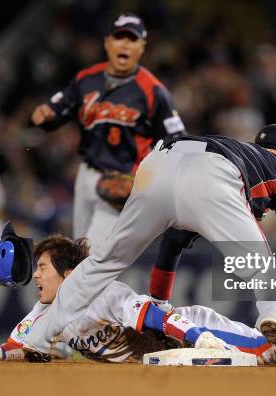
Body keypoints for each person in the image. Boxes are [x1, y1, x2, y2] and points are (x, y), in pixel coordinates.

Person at [23, 124, 276, 368]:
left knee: (103, 261)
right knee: (264, 273)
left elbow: (172, 244)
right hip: (212, 173)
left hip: (160, 161)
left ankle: (38, 338)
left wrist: (160, 303)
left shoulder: (240, 148)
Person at [0, 234, 276, 367]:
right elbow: (19, 344)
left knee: (263, 346)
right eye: (35, 268)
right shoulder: (43, 314)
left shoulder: (100, 290)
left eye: (43, 267)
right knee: (263, 353)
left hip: (186, 330)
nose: (36, 275)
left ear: (69, 272)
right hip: (175, 354)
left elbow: (149, 313)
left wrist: (198, 336)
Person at [30, 12, 186, 247]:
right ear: (107, 43)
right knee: (80, 255)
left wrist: (146, 175)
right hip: (86, 176)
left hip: (124, 180)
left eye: (132, 39)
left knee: (92, 257)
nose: (124, 44)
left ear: (142, 47)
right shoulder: (86, 79)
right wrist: (45, 116)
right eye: (119, 37)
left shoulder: (154, 90)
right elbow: (56, 111)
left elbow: (177, 141)